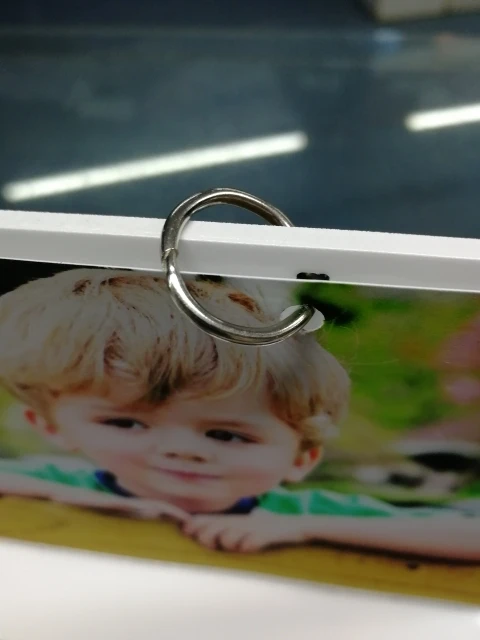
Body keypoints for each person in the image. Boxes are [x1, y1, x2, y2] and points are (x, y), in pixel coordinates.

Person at [0, 269, 478, 560]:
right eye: (126, 423)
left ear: (302, 458)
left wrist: (303, 530)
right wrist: (94, 504)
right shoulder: (58, 481)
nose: (181, 451)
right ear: (51, 426)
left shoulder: (299, 513)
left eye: (227, 435)